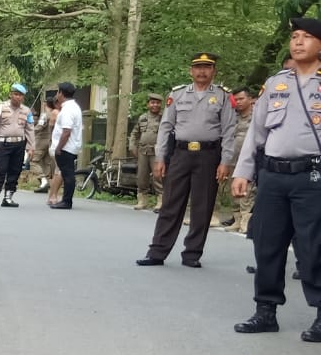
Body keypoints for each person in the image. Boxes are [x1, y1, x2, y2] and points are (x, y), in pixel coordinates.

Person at [231, 20, 321, 338]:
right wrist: (243, 172)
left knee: (314, 247)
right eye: (294, 37)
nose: (298, 42)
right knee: (268, 244)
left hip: (313, 177)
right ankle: (265, 311)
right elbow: (257, 132)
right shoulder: (275, 84)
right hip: (272, 176)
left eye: (307, 37)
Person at [136, 53, 235, 269]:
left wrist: (225, 161)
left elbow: (228, 131)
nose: (202, 71)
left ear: (213, 71)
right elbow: (165, 127)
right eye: (198, 67)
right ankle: (157, 251)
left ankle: (192, 253)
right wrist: (160, 157)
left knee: (203, 206)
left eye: (207, 67)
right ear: (191, 71)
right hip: (180, 154)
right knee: (171, 203)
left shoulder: (222, 96)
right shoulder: (178, 95)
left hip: (209, 155)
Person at [0, 83, 34, 207]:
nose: (18, 97)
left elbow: (30, 130)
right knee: (0, 170)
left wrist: (31, 147)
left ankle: (8, 197)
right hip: (3, 143)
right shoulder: (0, 108)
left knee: (15, 171)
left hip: (19, 144)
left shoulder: (26, 111)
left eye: (21, 95)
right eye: (16, 94)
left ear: (23, 97)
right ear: (11, 95)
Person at [223, 87, 255, 232]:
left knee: (247, 191)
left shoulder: (257, 116)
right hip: (232, 159)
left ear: (250, 99)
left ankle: (246, 221)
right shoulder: (232, 117)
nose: (238, 102)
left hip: (249, 161)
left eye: (241, 99)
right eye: (236, 99)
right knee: (233, 189)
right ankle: (236, 219)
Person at [49, 83, 82, 209]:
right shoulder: (74, 107)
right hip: (70, 146)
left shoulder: (68, 110)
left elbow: (66, 131)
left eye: (58, 92)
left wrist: (59, 147)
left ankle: (67, 201)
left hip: (66, 147)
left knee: (68, 174)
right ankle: (65, 200)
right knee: (67, 173)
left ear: (61, 93)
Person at [130, 92, 165, 209]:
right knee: (141, 177)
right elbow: (135, 133)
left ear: (161, 105)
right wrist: (132, 145)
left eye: (157, 103)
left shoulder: (164, 118)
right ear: (148, 104)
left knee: (158, 176)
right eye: (152, 103)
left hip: (157, 152)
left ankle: (160, 201)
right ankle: (142, 200)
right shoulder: (142, 118)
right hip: (143, 151)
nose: (155, 105)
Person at [33, 91, 56, 196]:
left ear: (46, 104)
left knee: (34, 161)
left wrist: (30, 132)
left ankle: (43, 180)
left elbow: (39, 127)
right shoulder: (56, 114)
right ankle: (48, 183)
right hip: (50, 141)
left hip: (41, 141)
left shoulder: (45, 115)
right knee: (45, 163)